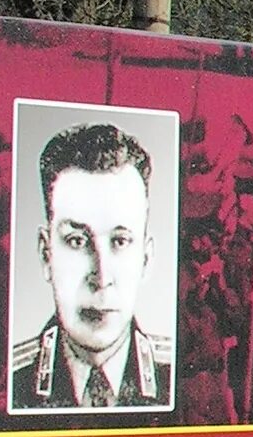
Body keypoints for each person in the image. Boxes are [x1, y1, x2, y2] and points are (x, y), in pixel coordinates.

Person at [10, 119, 173, 410]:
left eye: (120, 241)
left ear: (145, 259)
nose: (101, 276)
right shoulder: (10, 383)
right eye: (77, 241)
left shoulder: (181, 377)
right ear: (46, 253)